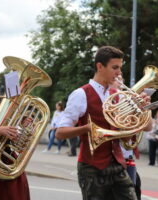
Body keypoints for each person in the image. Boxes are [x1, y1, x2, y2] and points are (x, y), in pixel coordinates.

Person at [56, 46, 152, 200]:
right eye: (115, 68)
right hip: (91, 167)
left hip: (117, 164)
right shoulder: (81, 94)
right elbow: (60, 133)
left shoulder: (117, 95)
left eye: (120, 68)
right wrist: (87, 128)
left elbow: (144, 129)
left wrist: (143, 109)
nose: (119, 73)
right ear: (100, 67)